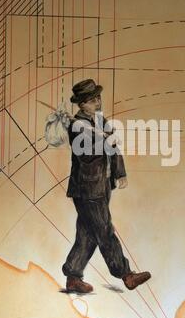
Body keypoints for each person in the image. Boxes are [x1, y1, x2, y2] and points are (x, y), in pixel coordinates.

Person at [62, 78, 151, 293]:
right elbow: (86, 154)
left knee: (87, 233)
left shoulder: (101, 122)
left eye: (98, 98)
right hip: (87, 188)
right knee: (104, 230)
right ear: (81, 104)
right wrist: (105, 142)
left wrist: (120, 173)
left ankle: (73, 276)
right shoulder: (77, 125)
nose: (97, 102)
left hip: (102, 186)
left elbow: (114, 149)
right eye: (92, 100)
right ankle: (126, 275)